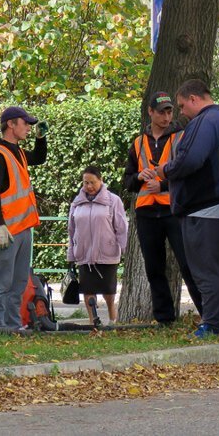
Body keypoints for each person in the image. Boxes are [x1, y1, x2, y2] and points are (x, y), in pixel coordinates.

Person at [154, 79, 219, 338]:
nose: (181, 112)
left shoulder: (204, 123)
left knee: (206, 269)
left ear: (194, 99)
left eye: (182, 106)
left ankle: (213, 324)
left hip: (205, 208)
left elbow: (191, 159)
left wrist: (167, 170)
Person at [122, 91, 203, 325]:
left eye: (169, 111)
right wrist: (139, 176)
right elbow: (128, 181)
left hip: (173, 210)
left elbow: (190, 172)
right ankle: (164, 319)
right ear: (150, 112)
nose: (167, 117)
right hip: (147, 212)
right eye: (161, 112)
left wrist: (164, 184)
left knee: (188, 264)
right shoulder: (138, 143)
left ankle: (207, 313)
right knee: (154, 268)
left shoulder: (181, 137)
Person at [0, 106, 48, 331]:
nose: (28, 127)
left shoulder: (17, 152)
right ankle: (0, 327)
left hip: (23, 228)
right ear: (11, 124)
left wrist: (41, 138)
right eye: (25, 123)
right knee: (2, 283)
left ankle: (13, 325)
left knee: (18, 282)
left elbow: (39, 158)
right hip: (7, 231)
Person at [67, 166, 128, 325]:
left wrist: (124, 249)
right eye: (85, 182)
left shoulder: (113, 200)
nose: (89, 186)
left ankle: (112, 318)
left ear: (101, 181)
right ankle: (93, 320)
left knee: (108, 290)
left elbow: (121, 227)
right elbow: (71, 230)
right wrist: (71, 254)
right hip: (84, 253)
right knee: (88, 290)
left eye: (92, 182)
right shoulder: (77, 202)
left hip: (107, 252)